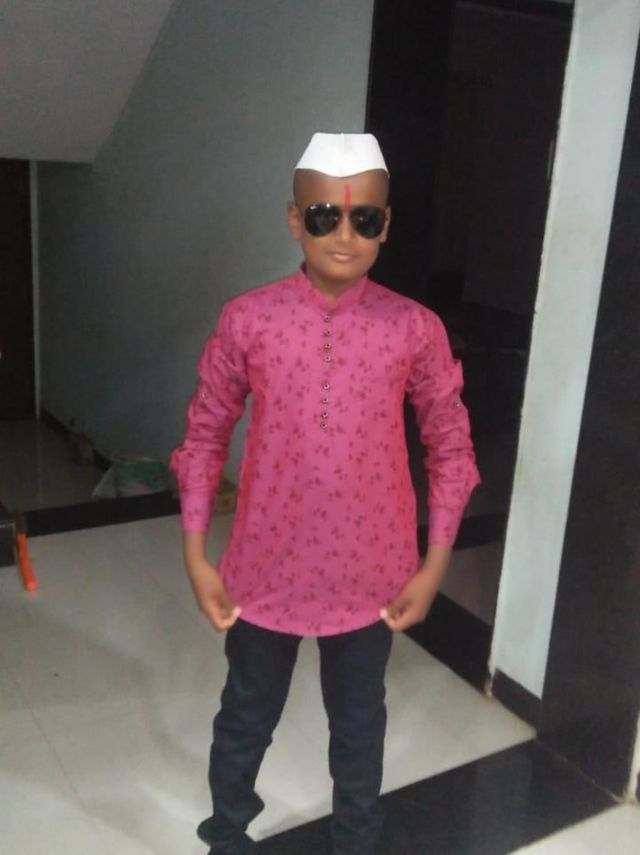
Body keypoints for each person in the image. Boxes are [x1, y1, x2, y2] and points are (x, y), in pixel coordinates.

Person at [170, 132, 480, 855]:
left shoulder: (415, 328)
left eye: (363, 219)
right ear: (294, 219)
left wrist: (433, 565)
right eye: (324, 216)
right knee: (245, 716)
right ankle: (226, 834)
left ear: (385, 225)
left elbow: (450, 447)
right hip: (263, 567)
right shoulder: (248, 318)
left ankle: (356, 842)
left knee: (359, 724)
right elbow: (205, 433)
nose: (344, 235)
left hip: (372, 575)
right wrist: (195, 554)